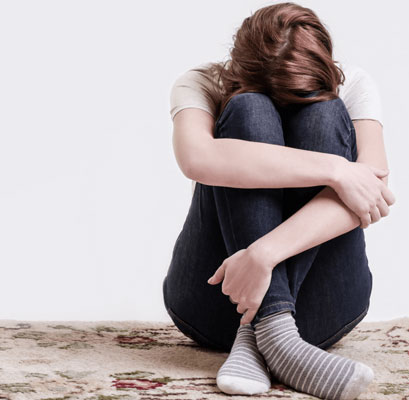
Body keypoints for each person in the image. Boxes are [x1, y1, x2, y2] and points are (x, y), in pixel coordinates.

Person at [163, 2, 396, 399]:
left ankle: (267, 335)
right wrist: (335, 170)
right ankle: (276, 335)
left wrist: (263, 254)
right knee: (248, 109)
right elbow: (196, 159)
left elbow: (373, 194)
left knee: (323, 114)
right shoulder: (203, 81)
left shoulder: (353, 83)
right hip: (215, 299)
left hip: (321, 307)